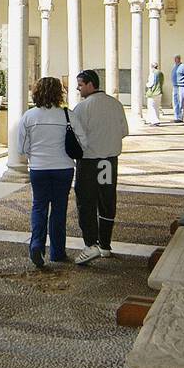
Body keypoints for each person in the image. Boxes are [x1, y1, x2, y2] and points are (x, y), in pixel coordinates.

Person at [17, 76, 85, 268]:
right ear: (58, 93)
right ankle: (57, 252)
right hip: (63, 168)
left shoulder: (29, 116)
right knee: (59, 209)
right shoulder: (67, 115)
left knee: (39, 206)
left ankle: (37, 245)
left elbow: (21, 148)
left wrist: (35, 154)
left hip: (39, 168)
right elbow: (83, 141)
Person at [71, 69, 129, 265]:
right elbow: (124, 131)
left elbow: (77, 137)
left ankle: (90, 245)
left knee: (86, 202)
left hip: (89, 163)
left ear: (90, 84)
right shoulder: (115, 104)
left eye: (80, 84)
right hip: (109, 162)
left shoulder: (82, 107)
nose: (78, 88)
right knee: (107, 200)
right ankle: (105, 244)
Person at [171, 54, 184, 123]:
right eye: (175, 59)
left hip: (181, 86)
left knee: (180, 101)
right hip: (175, 86)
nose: (175, 60)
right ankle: (176, 116)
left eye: (176, 59)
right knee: (175, 102)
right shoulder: (175, 66)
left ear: (179, 59)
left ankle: (180, 117)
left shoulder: (183, 66)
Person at [144, 61, 164, 126]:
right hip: (159, 92)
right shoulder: (161, 73)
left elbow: (150, 84)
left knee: (151, 106)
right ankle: (152, 119)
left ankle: (155, 121)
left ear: (152, 67)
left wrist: (146, 85)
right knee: (156, 107)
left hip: (153, 92)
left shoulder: (153, 74)